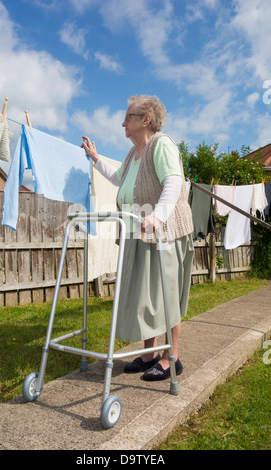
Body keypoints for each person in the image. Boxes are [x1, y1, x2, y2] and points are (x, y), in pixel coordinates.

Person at [81, 95, 194, 381]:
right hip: (139, 234)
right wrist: (95, 159)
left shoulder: (162, 144)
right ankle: (149, 354)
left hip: (165, 233)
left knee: (167, 296)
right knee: (145, 297)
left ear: (146, 120)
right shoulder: (133, 155)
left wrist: (157, 216)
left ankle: (172, 358)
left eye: (128, 117)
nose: (123, 123)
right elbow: (120, 179)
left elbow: (173, 181)